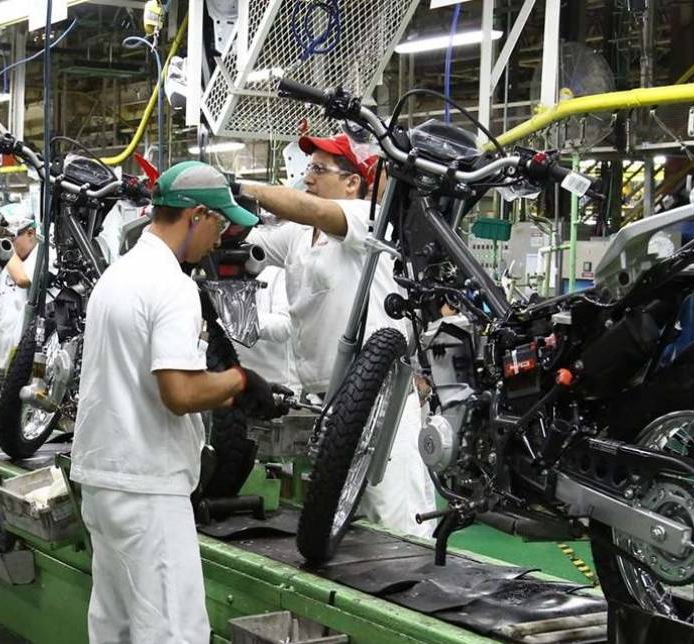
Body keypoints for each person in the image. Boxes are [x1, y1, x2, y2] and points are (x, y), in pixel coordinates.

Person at [70, 161, 289, 643]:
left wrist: (226, 391)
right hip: (148, 486)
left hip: (104, 480)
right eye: (219, 225)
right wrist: (239, 380)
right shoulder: (173, 286)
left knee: (115, 627)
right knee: (174, 632)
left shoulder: (118, 275)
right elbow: (179, 393)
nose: (219, 239)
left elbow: (141, 379)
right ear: (196, 215)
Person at [240, 133, 437, 537]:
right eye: (307, 168)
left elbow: (311, 208)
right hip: (330, 404)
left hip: (380, 398)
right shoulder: (299, 235)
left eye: (318, 168)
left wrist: (241, 187)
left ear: (352, 182)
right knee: (346, 522)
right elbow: (249, 244)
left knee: (397, 517)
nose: (307, 177)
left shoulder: (368, 218)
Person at [0, 218, 40, 371]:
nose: (10, 245)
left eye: (12, 239)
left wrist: (6, 250)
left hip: (30, 351)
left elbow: (23, 279)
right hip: (2, 355)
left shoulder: (41, 253)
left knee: (37, 380)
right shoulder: (16, 261)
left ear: (30, 233)